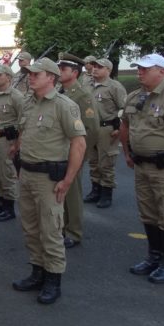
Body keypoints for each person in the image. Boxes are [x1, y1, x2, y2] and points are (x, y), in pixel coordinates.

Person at [11, 58, 86, 305]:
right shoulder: (29, 103)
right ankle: (37, 272)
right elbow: (24, 136)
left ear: (51, 78)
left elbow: (79, 143)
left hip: (49, 179)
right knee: (31, 228)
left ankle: (53, 280)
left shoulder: (64, 106)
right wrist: (20, 166)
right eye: (30, 73)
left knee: (51, 230)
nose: (31, 77)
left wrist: (67, 180)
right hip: (29, 174)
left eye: (36, 74)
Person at [120, 54, 164, 284]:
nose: (139, 72)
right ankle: (153, 257)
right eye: (138, 68)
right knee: (148, 213)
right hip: (141, 164)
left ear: (162, 71)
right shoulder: (135, 96)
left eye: (145, 69)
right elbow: (125, 125)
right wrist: (127, 152)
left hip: (163, 167)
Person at [56, 53, 99, 248]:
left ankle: (73, 232)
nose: (59, 72)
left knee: (72, 193)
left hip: (73, 152)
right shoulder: (60, 92)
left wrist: (80, 156)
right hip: (58, 153)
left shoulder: (82, 95)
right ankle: (61, 227)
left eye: (63, 69)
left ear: (74, 72)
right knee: (59, 192)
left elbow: (90, 129)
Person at [84, 56, 127, 208]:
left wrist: (118, 127)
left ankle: (106, 193)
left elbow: (124, 108)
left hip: (107, 128)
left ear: (108, 70)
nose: (95, 68)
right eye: (94, 66)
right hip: (91, 129)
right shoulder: (88, 85)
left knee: (106, 162)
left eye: (99, 67)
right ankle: (95, 190)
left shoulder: (114, 86)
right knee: (93, 161)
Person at [0, 64, 24, 222]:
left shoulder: (16, 96)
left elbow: (23, 122)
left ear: (8, 77)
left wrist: (17, 144)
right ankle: (1, 203)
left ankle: (9, 207)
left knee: (7, 173)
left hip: (7, 139)